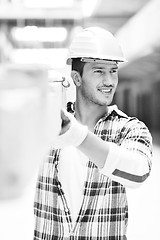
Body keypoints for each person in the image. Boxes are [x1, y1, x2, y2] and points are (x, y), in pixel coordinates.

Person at [34, 27, 152, 239]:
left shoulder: (129, 128)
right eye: (99, 71)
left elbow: (139, 172)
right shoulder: (47, 125)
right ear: (76, 78)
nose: (109, 81)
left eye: (113, 71)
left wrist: (77, 136)